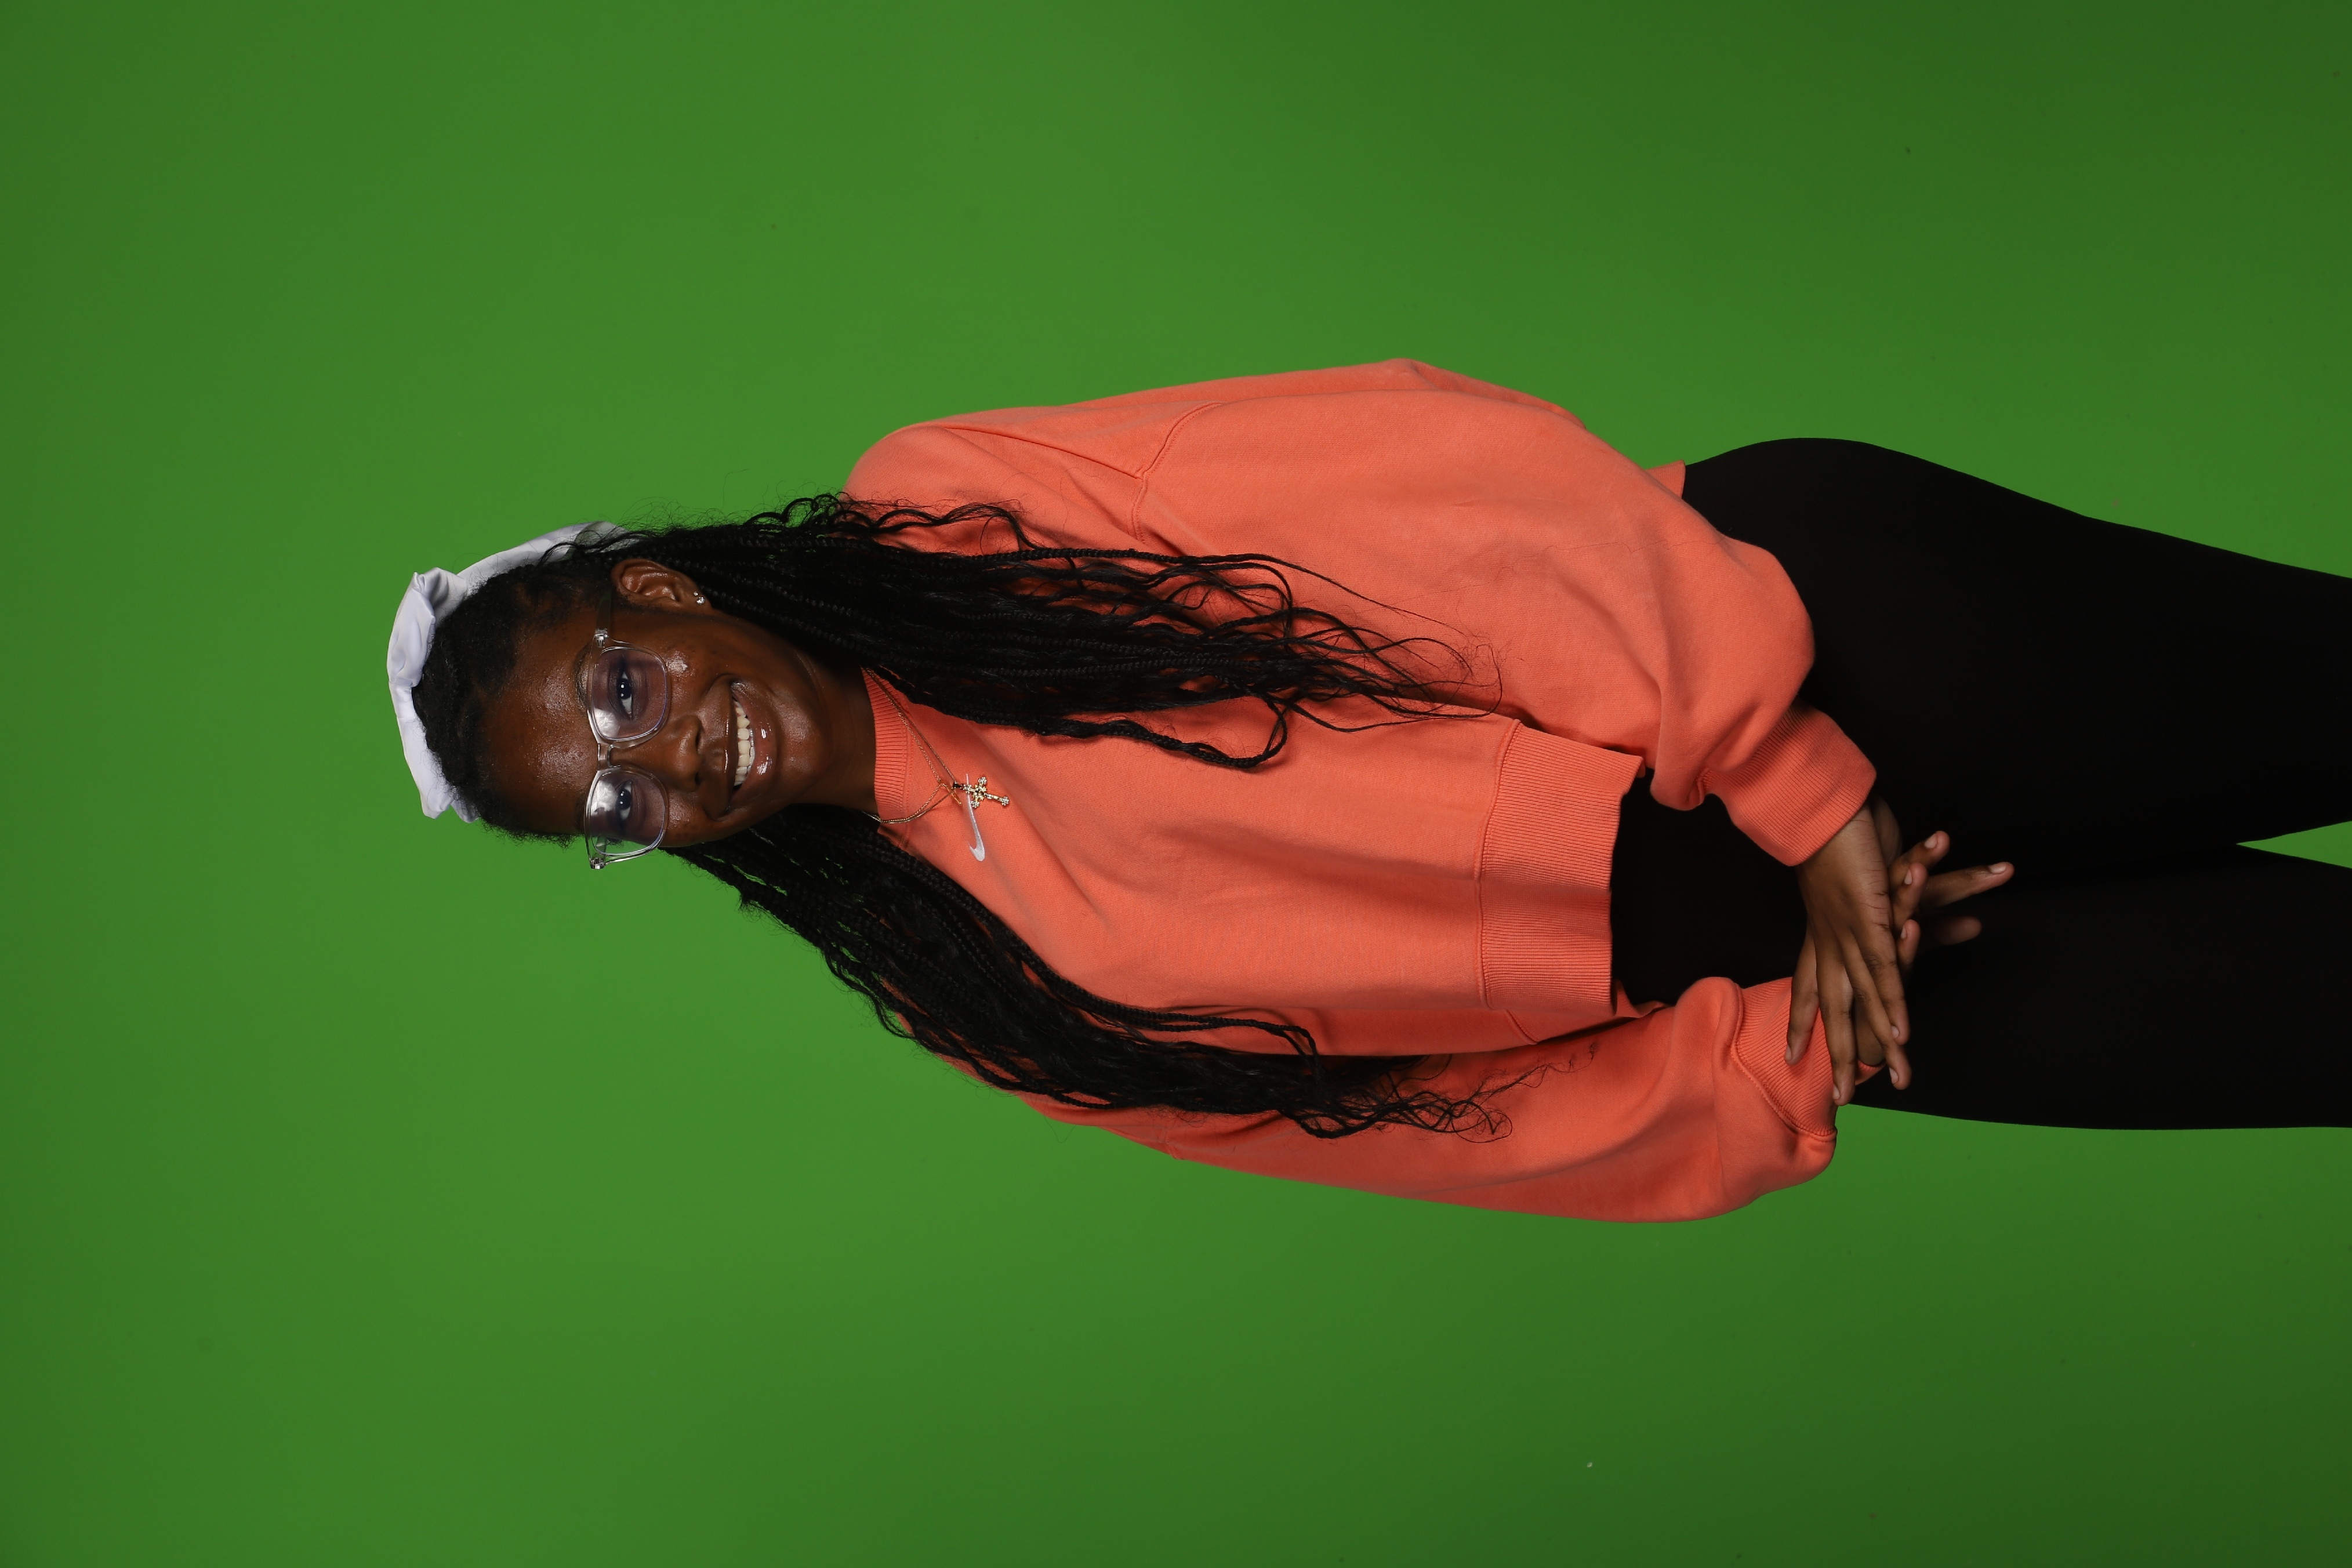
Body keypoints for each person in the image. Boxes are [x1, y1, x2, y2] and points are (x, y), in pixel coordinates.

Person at [386, 361, 2352, 1222]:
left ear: (657, 590)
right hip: (1834, 980)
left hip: (1806, 652)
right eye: (613, 804)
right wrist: (1778, 1058)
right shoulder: (965, 987)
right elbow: (1418, 1127)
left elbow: (1436, 497)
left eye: (619, 690)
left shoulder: (948, 514)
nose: (665, 759)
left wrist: (1793, 778)